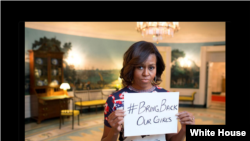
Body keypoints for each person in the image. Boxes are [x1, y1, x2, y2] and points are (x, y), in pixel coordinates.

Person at [101, 41, 195, 141]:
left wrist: (184, 130)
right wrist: (114, 130)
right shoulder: (114, 100)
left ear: (156, 68)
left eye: (151, 67)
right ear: (131, 68)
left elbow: (171, 139)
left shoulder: (166, 97)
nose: (146, 73)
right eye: (140, 67)